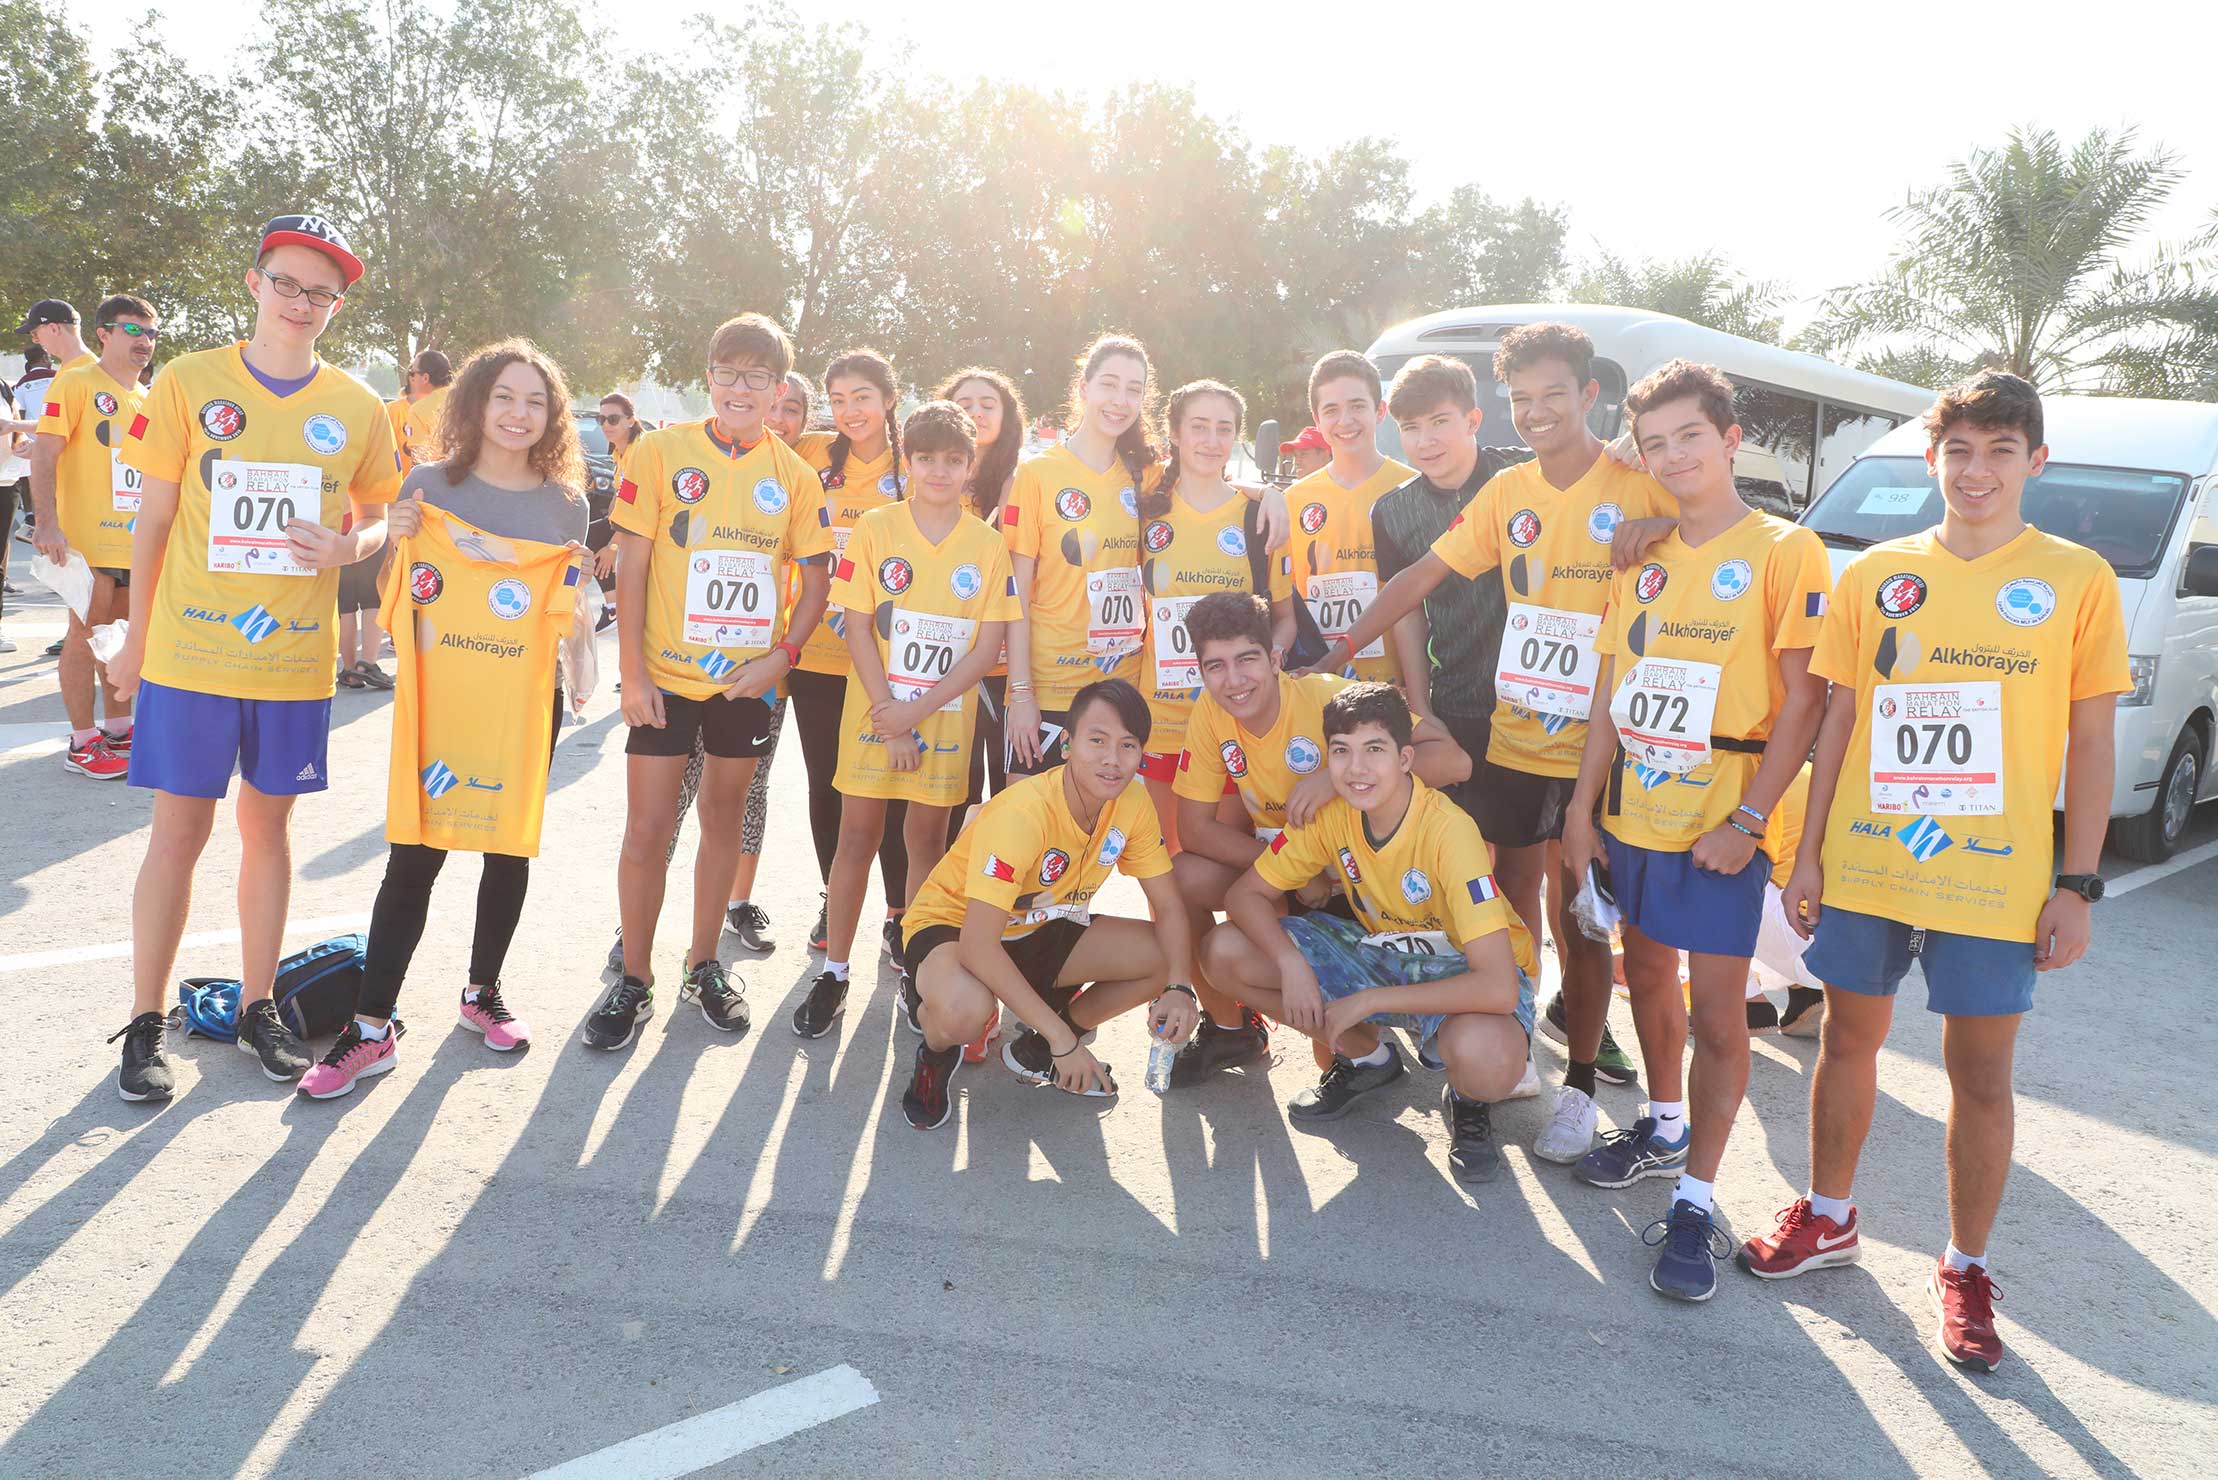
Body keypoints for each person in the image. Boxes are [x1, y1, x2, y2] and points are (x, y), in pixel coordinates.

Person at [1739, 371, 2128, 1373]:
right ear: (1931, 460)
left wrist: (2077, 885)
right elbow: (1839, 717)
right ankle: (1829, 1215)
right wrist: (1807, 851)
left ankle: (1965, 1266)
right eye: (1959, 450)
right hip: (1871, 863)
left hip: (1993, 879)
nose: (1976, 470)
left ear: (2036, 461)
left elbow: (2091, 742)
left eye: (2000, 450)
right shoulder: (1877, 573)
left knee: (1980, 1075)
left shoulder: (2077, 578)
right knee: (1847, 1042)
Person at [1325, 331, 1665, 1139]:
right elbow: (1416, 584)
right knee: (1511, 898)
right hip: (1506, 731)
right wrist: (1335, 653)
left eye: (1554, 395)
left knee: (1588, 916)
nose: (1537, 412)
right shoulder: (1506, 490)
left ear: (1589, 395)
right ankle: (1514, 1046)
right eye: (1524, 399)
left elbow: (1711, 511)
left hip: (1614, 738)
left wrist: (1657, 504)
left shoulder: (1636, 479)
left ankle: (1586, 1082)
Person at [104, 213, 402, 1102]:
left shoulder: (357, 405)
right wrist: (136, 641)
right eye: (287, 284)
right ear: (254, 282)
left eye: (322, 293)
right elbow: (154, 521)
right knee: (177, 836)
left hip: (293, 663)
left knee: (268, 834)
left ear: (337, 306)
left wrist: (350, 547)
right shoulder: (189, 381)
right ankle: (145, 1020)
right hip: (191, 655)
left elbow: (381, 515)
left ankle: (258, 1005)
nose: (301, 303)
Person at [1557, 359, 1831, 1302]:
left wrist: (1749, 822)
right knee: (1645, 977)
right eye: (1656, 443)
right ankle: (1664, 1126)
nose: (1673, 456)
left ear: (1730, 439)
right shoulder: (1640, 555)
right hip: (1635, 809)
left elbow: (1806, 700)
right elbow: (1611, 685)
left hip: (1722, 823)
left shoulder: (1786, 549)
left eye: (1690, 437)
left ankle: (1695, 1201)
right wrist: (1582, 807)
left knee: (1720, 1014)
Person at [298, 340, 591, 1098]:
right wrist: (395, 539)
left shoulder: (567, 505)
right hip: (441, 695)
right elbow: (391, 598)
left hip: (523, 700)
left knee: (507, 849)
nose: (519, 414)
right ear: (476, 403)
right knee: (414, 856)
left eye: (536, 401)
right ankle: (370, 1027)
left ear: (553, 416)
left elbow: (566, 610)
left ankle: (482, 992)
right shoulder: (427, 487)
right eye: (504, 397)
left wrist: (581, 581)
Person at [587, 312, 831, 1051]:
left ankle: (703, 967)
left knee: (723, 820)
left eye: (758, 377)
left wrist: (783, 657)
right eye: (728, 374)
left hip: (745, 688)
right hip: (664, 681)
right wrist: (631, 673)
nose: (741, 389)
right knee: (647, 828)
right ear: (709, 378)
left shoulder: (794, 477)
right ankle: (634, 979)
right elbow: (632, 566)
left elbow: (817, 579)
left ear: (780, 389)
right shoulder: (660, 451)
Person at [1205, 682, 1539, 1183]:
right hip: (1381, 956)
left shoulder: (1450, 831)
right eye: (1341, 751)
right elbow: (1243, 896)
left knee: (1487, 1061)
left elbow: (1497, 986)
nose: (1356, 768)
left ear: (1406, 758)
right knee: (1224, 950)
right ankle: (1369, 1059)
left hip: (1463, 973)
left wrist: (1367, 1001)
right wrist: (1291, 964)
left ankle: (1468, 1100)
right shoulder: (1332, 815)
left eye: (1374, 750)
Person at [1163, 591, 1472, 1085]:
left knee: (1467, 1051)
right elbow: (1194, 830)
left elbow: (1454, 761)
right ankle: (1253, 1031)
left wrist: (1337, 775)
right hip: (1294, 873)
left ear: (1275, 658)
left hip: (1369, 886)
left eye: (1247, 659)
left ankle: (1398, 1015)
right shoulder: (1212, 712)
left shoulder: (1326, 697)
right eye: (1216, 666)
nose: (1234, 680)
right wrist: (1291, 872)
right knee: (1183, 877)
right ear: (1200, 671)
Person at [795, 401, 1022, 1039]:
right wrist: (890, 716)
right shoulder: (876, 528)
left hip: (940, 723)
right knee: (856, 838)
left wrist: (913, 715)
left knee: (927, 844)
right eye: (926, 459)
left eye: (953, 459)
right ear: (909, 462)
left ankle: (917, 970)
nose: (939, 471)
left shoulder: (987, 544)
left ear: (970, 465)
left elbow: (985, 649)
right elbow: (856, 625)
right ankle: (834, 971)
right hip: (874, 711)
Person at [895, 678, 1199, 1131]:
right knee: (964, 1012)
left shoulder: (1133, 801)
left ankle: (1037, 1050)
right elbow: (978, 945)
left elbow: (1170, 906)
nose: (1112, 759)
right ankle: (934, 1050)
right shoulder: (1023, 813)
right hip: (955, 929)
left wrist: (1179, 987)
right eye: (1097, 741)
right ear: (1067, 745)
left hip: (1040, 926)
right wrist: (1066, 1042)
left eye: (1128, 745)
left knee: (1166, 956)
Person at [787, 349, 911, 957]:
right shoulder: (812, 452)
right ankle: (833, 900)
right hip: (818, 655)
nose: (850, 411)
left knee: (893, 787)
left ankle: (899, 911)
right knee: (827, 785)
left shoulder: (914, 462)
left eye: (861, 397)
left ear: (889, 398)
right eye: (837, 400)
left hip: (892, 660)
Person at [1135, 379, 1294, 849]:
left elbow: (1284, 618)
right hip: (1161, 717)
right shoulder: (1146, 504)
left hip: (1236, 717)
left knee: (1222, 857)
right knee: (1168, 860)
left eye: (1224, 429)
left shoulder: (1258, 517)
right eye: (1199, 427)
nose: (1211, 440)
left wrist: (1269, 658)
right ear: (1175, 433)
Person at [29, 294, 160, 776]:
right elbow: (44, 453)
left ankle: (119, 730)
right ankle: (82, 743)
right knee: (83, 636)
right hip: (86, 538)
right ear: (103, 333)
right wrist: (47, 522)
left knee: (119, 638)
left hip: (133, 540)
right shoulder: (76, 381)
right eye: (133, 330)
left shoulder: (145, 396)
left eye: (151, 333)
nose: (144, 341)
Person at [722, 369, 814, 953]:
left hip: (767, 665)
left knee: (751, 787)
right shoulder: (708, 463)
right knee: (679, 791)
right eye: (776, 405)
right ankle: (637, 922)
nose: (779, 418)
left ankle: (737, 902)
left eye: (793, 409)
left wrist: (783, 656)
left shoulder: (801, 479)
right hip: (690, 663)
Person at [1282, 352, 1413, 686]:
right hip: (1318, 682)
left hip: (1395, 686)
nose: (1345, 420)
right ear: (1317, 419)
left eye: (1357, 406)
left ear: (1379, 411)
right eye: (1331, 410)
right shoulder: (1293, 500)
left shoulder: (1413, 488)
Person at [937, 365, 1029, 811]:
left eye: (987, 405)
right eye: (965, 404)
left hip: (1008, 663)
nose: (976, 412)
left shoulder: (1025, 481)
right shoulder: (931, 480)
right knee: (956, 794)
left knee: (1010, 798)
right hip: (945, 660)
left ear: (1006, 416)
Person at [1742, 764, 1825, 1037]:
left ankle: (1747, 1002)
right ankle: (1805, 993)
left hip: (1802, 934)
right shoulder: (1808, 769)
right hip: (1853, 945)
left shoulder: (1738, 772)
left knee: (1690, 876)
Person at [398, 349, 452, 465]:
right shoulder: (469, 399)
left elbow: (419, 460)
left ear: (425, 378)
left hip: (440, 473)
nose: (412, 378)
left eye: (413, 373)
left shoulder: (418, 410)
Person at [18, 298, 94, 378]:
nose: (35, 340)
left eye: (35, 333)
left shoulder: (78, 374)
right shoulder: (83, 369)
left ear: (53, 329)